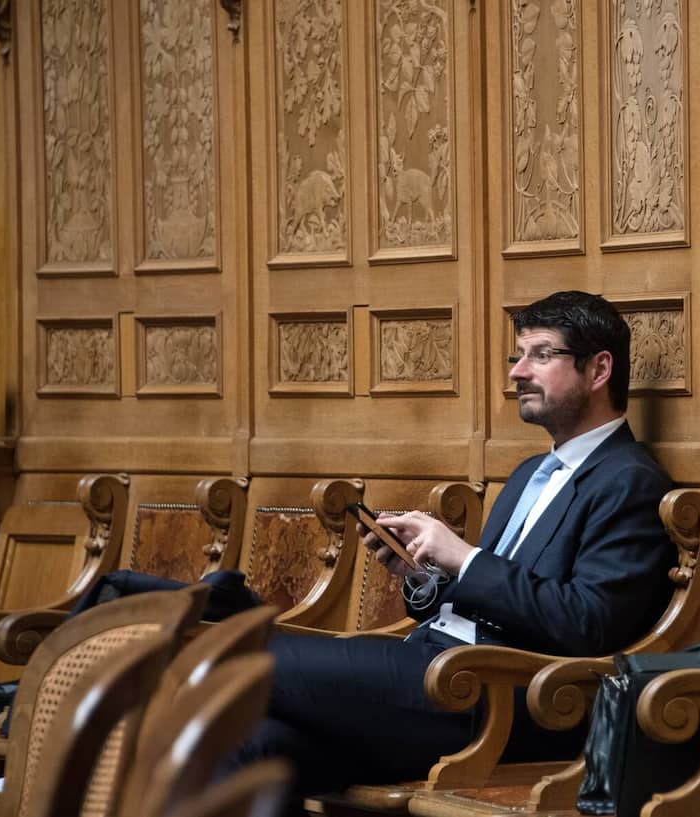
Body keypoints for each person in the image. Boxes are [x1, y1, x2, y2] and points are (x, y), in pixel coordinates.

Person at [234, 291, 674, 794]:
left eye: (541, 355)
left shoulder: (630, 482)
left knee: (242, 658)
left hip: (496, 702)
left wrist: (464, 558)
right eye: (518, 356)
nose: (517, 372)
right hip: (438, 670)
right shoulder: (531, 472)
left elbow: (586, 624)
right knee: (256, 749)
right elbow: (496, 598)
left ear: (598, 370)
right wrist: (422, 574)